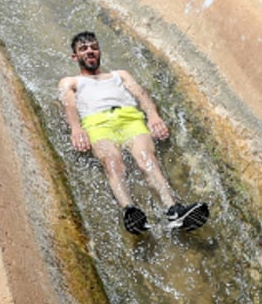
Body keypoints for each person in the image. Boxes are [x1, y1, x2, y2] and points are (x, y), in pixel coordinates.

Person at [59, 31, 209, 235]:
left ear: (100, 51)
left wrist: (153, 115)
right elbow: (68, 106)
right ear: (75, 57)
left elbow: (140, 93)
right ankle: (130, 211)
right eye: (83, 49)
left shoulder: (120, 75)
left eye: (94, 47)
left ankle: (174, 211)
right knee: (113, 162)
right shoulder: (71, 81)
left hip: (131, 119)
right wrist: (76, 129)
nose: (90, 51)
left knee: (147, 159)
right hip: (97, 123)